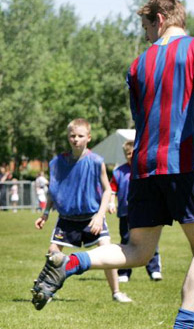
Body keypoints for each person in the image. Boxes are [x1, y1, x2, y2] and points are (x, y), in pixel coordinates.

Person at [31, 0, 194, 329]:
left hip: (145, 167)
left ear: (160, 20)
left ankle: (72, 261)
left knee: (137, 250)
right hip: (185, 164)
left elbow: (152, 110)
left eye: (146, 26)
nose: (146, 34)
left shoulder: (137, 65)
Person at [33, 118, 132, 304]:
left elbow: (107, 190)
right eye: (72, 136)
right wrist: (45, 214)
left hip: (92, 217)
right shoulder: (57, 163)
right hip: (67, 218)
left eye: (80, 136)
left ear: (88, 138)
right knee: (53, 252)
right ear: (68, 137)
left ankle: (116, 292)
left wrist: (100, 216)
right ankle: (46, 290)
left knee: (107, 251)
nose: (75, 139)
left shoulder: (96, 161)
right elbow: (53, 192)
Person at [108, 140, 162, 282]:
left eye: (133, 153)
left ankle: (154, 270)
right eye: (128, 154)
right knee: (126, 240)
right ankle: (124, 272)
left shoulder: (147, 170)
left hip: (145, 210)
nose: (131, 156)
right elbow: (112, 190)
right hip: (126, 212)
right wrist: (111, 203)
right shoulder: (119, 172)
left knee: (150, 240)